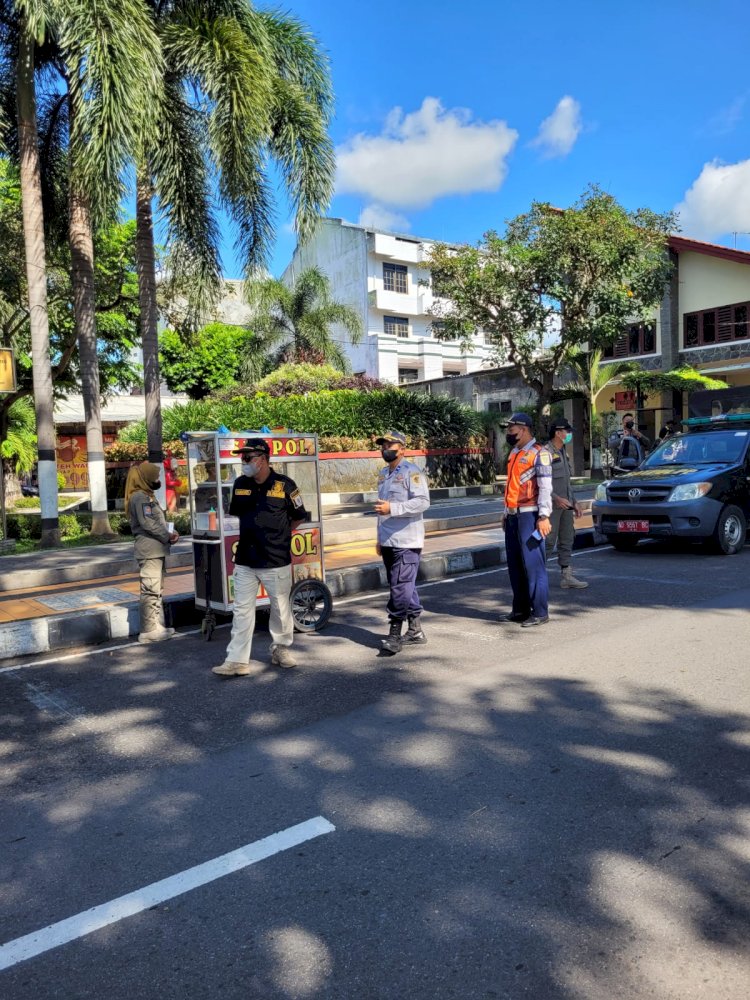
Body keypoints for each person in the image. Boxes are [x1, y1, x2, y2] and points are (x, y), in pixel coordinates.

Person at [213, 438, 310, 678]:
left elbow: (298, 516)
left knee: (280, 608)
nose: (243, 462)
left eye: (248, 458)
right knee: (242, 611)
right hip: (246, 559)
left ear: (263, 459)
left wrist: (282, 534)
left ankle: (281, 649)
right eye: (242, 458)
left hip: (275, 559)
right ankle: (236, 660)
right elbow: (238, 514)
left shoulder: (285, 485)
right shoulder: (240, 484)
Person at [373, 430, 430, 654]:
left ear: (402, 449)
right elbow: (381, 509)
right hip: (388, 539)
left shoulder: (412, 472)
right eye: (383, 445)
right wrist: (379, 538)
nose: (385, 448)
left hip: (407, 540)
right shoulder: (383, 474)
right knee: (403, 586)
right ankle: (415, 630)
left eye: (390, 445)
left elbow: (423, 502)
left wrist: (393, 509)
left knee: (400, 587)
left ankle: (395, 635)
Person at [501, 413, 553, 627]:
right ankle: (520, 609)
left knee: (534, 566)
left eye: (511, 429)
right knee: (515, 566)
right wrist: (506, 511)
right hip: (514, 516)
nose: (508, 433)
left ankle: (540, 611)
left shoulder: (539, 454)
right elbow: (512, 486)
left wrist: (543, 516)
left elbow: (545, 488)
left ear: (523, 429)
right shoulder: (515, 453)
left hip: (531, 516)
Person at [126, 461, 179, 644]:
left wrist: (169, 533)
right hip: (149, 550)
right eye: (155, 477)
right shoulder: (139, 497)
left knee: (156, 589)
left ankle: (157, 626)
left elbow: (155, 521)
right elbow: (147, 523)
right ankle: (148, 630)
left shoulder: (147, 495)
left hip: (156, 549)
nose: (158, 480)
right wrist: (167, 535)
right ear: (145, 478)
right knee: (150, 589)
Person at [543, 419, 588, 590]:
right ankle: (535, 575)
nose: (569, 434)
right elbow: (540, 482)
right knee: (548, 541)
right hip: (552, 506)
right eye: (567, 431)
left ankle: (567, 576)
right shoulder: (545, 453)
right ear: (557, 432)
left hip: (566, 505)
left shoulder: (564, 453)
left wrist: (574, 502)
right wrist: (556, 498)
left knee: (567, 539)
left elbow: (567, 483)